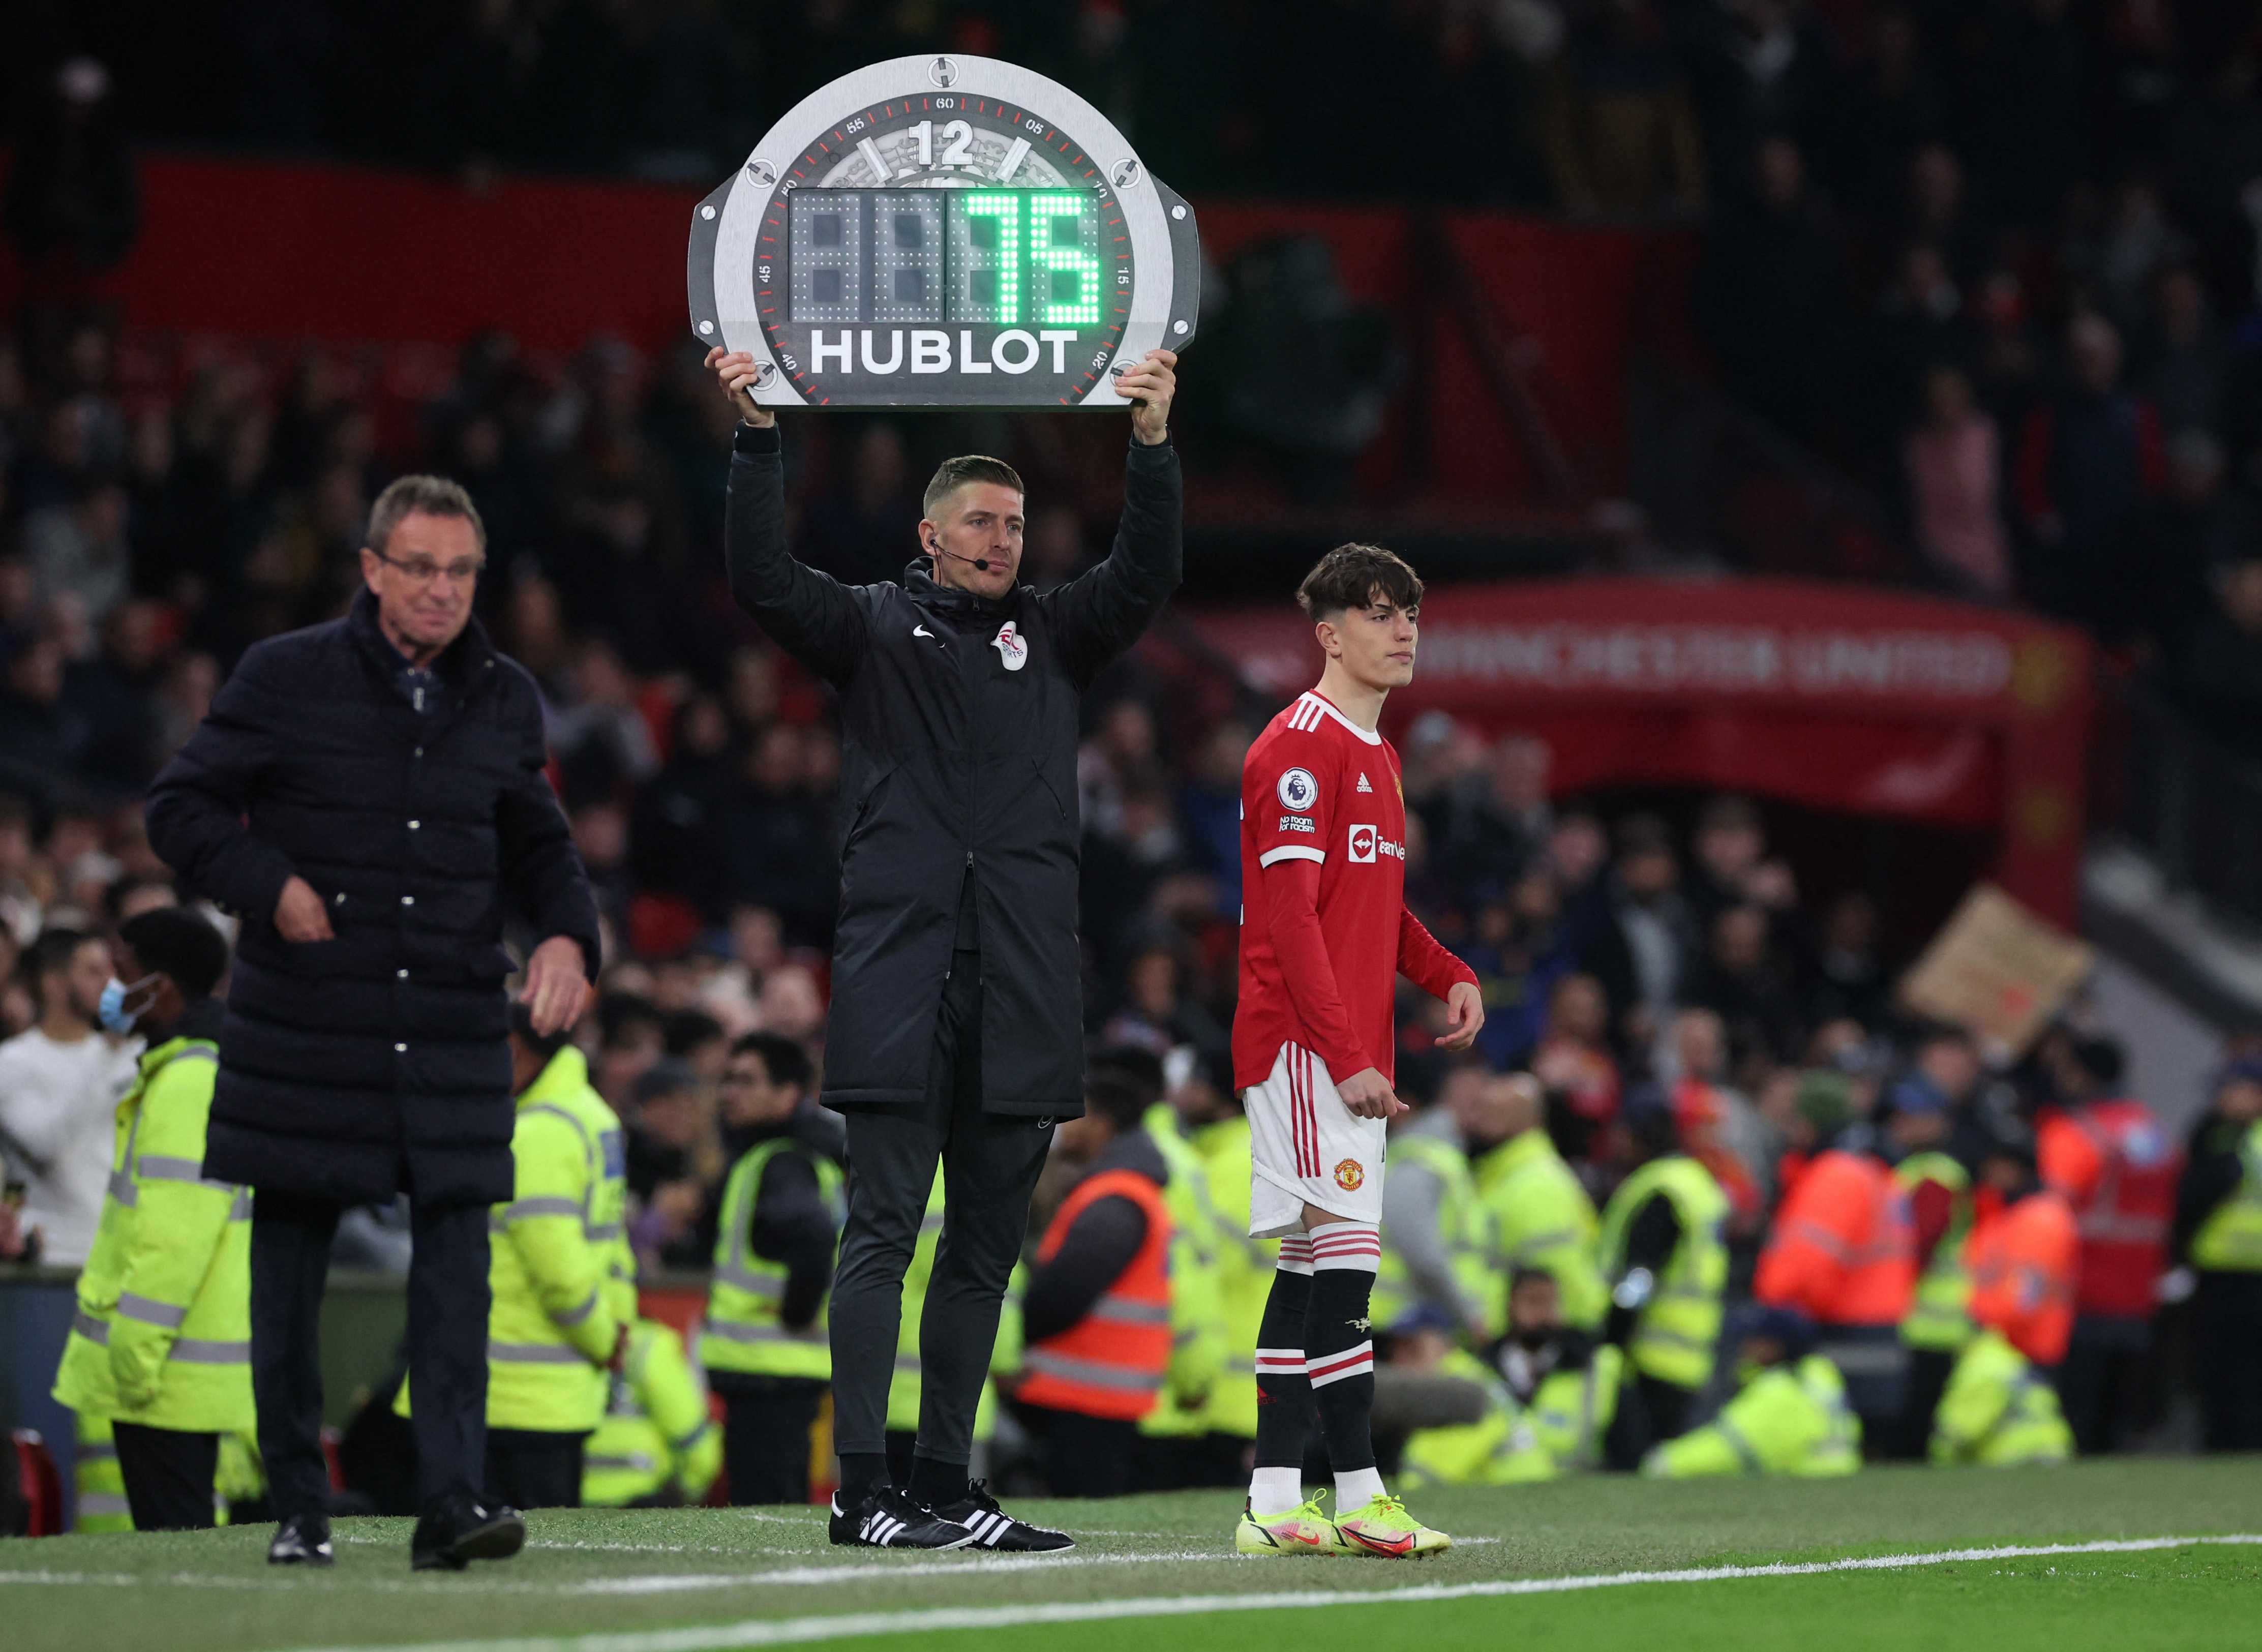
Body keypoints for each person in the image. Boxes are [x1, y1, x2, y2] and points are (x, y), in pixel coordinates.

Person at [705, 342, 1180, 1550]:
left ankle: (946, 1483)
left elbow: (1144, 576)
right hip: (900, 978)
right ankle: (861, 1490)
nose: (1001, 540)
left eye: (1015, 524)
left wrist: (1153, 448)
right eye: (978, 521)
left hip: (1022, 985)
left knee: (979, 1253)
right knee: (879, 1233)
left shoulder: (1058, 635)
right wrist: (760, 441)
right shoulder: (867, 627)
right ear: (928, 536)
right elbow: (761, 575)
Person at [144, 474, 601, 1572]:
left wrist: (566, 937)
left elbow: (540, 845)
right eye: (420, 568)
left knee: (456, 1261)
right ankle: (299, 1500)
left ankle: (449, 1496)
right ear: (371, 569)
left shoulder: (502, 693)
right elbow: (182, 807)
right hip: (308, 1017)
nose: (441, 590)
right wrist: (271, 883)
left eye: (459, 571)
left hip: (447, 1020)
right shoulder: (285, 673)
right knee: (289, 1260)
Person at [1230, 543, 1483, 1560]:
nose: (1403, 628)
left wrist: (1445, 968)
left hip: (1335, 1042)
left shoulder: (1375, 753)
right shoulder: (1298, 748)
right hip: (1301, 1043)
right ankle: (1363, 1493)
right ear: (1327, 634)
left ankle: (1278, 1497)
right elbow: (1290, 922)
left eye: (1411, 610)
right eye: (1379, 612)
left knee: (1306, 1271)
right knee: (1343, 1275)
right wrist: (1343, 1055)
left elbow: (1368, 907)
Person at [50, 908, 247, 1530]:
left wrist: (134, 1356)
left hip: (163, 1380)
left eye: (120, 970)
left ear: (158, 986)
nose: (109, 986)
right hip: (170, 1375)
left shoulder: (190, 1082)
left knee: (180, 1556)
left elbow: (175, 1237)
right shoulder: (181, 1071)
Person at [407, 1004, 628, 1512]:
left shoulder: (536, 1131)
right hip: (559, 1391)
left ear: (511, 1044)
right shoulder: (593, 1116)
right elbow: (614, 1247)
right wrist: (613, 1329)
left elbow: (558, 1273)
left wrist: (601, 1339)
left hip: (514, 1395)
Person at [699, 1030, 845, 1506]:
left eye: (746, 1080)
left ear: (787, 1094)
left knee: (766, 1509)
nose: (729, 1092)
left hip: (772, 1374)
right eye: (726, 1080)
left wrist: (794, 1314)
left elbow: (815, 1235)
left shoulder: (781, 1160)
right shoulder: (780, 1154)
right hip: (772, 1374)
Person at [1013, 1071, 1175, 1500]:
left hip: (1086, 1395)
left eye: (1072, 1116)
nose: (1062, 1126)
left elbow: (1064, 1291)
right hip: (1098, 1391)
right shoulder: (1121, 1190)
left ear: (1101, 1123)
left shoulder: (1116, 1196)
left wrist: (1014, 1340)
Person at [2037, 1036, 2178, 1453]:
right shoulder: (2152, 1130)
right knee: (2122, 1407)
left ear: (2082, 1074)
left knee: (2079, 1403)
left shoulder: (2072, 1132)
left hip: (2084, 1282)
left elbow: (2049, 1209)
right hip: (2140, 1284)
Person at [1754, 1112, 1915, 1445]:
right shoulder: (1880, 1176)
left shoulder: (1835, 1175)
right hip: (1882, 1338)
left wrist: (1777, 1317)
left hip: (1842, 1339)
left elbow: (1806, 1265)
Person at [1596, 1086, 1730, 1469]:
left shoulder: (1661, 1188)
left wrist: (1615, 1330)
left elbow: (1639, 1275)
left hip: (1647, 1353)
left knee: (1631, 1465)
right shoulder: (1696, 1182)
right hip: (1691, 1351)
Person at [1932, 1125, 2076, 1466]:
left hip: (2023, 1349)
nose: (1987, 1173)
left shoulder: (2040, 1218)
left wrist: (1982, 1321)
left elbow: (2024, 1296)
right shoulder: (2010, 1214)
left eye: (1994, 1164)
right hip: (2006, 1346)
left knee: (2019, 1441)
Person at [1401, 1270, 1621, 1487]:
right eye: (1533, 1302)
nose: (1544, 1314)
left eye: (1551, 1303)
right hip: (1489, 1496)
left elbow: (1625, 1447)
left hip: (1577, 1492)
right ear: (1509, 1307)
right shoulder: (1473, 1368)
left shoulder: (1593, 1368)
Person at [0, 927, 140, 1266]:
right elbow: (46, 1143)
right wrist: (107, 1051)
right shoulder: (13, 1062)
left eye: (111, 972)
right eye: (93, 972)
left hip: (117, 1252)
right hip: (50, 1257)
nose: (109, 984)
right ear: (52, 982)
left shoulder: (126, 1055)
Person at [1642, 1306, 1860, 1479]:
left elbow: (1726, 1449)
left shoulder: (1780, 1390)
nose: (1742, 1348)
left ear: (1772, 1348)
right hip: (1833, 1478)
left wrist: (1663, 1460)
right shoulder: (1819, 1376)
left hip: (1807, 1484)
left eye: (1751, 1340)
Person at [1470, 1072, 1608, 1333]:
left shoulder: (1537, 1185)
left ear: (1522, 1119)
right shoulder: (1503, 1177)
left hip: (1531, 1345)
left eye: (1491, 1111)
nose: (1476, 1121)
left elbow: (1547, 1292)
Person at [2172, 1054, 2262, 1451]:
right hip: (2214, 1272)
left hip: (2254, 1278)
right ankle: (2217, 1445)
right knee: (2212, 1371)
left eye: (2232, 1088)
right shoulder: (2211, 1131)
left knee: (2250, 1374)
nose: (2223, 1097)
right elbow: (2186, 1195)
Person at [1374, 1069, 1498, 1344]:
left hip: (1415, 1329)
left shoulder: (1424, 1158)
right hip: (1404, 1330)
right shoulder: (1424, 1160)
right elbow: (1424, 1254)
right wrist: (1470, 1314)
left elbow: (1429, 1254)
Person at [1887, 1077, 1975, 1459]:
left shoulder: (1935, 1175)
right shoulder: (1916, 1169)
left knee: (1914, 1427)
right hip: (1924, 1318)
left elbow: (1919, 1245)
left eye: (1913, 1114)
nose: (1901, 1122)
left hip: (1930, 1322)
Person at [582, 1319, 722, 1508]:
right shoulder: (648, 1346)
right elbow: (696, 1445)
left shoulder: (560, 1339)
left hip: (563, 1499)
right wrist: (685, 1493)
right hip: (641, 1501)